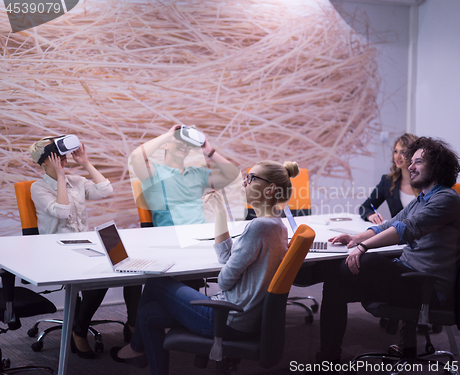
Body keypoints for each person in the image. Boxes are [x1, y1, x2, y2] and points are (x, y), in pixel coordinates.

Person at [110, 160, 300, 375]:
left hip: (228, 319)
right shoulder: (276, 225)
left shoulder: (258, 227)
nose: (244, 183)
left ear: (270, 189)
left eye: (251, 178)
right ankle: (138, 351)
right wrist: (219, 213)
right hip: (241, 316)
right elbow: (226, 257)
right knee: (148, 313)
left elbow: (224, 280)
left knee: (155, 280)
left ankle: (136, 348)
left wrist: (231, 268)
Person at [303, 137, 460, 365]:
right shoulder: (423, 198)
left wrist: (363, 247)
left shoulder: (446, 199)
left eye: (418, 162)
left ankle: (328, 359)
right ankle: (328, 359)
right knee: (335, 283)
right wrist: (356, 238)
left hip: (426, 287)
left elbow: (405, 229)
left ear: (437, 166)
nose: (410, 167)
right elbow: (390, 224)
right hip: (409, 276)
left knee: (364, 263)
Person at [29, 135, 141, 359]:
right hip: (55, 249)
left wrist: (85, 163)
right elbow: (62, 212)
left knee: (130, 268)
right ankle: (79, 331)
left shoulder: (77, 181)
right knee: (101, 278)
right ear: (43, 163)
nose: (61, 158)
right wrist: (60, 177)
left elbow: (106, 190)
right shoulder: (38, 188)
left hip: (83, 245)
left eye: (61, 154)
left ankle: (132, 325)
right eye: (54, 156)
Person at [129, 124, 240, 227]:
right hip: (173, 240)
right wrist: (167, 136)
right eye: (179, 140)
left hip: (203, 235)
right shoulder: (155, 173)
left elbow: (233, 175)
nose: (184, 145)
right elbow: (136, 157)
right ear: (166, 145)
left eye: (188, 143)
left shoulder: (197, 174)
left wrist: (208, 151)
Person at [359, 133, 420, 224]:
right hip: (398, 236)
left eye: (403, 152)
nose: (397, 156)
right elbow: (364, 207)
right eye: (396, 151)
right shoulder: (388, 181)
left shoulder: (427, 182)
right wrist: (371, 215)